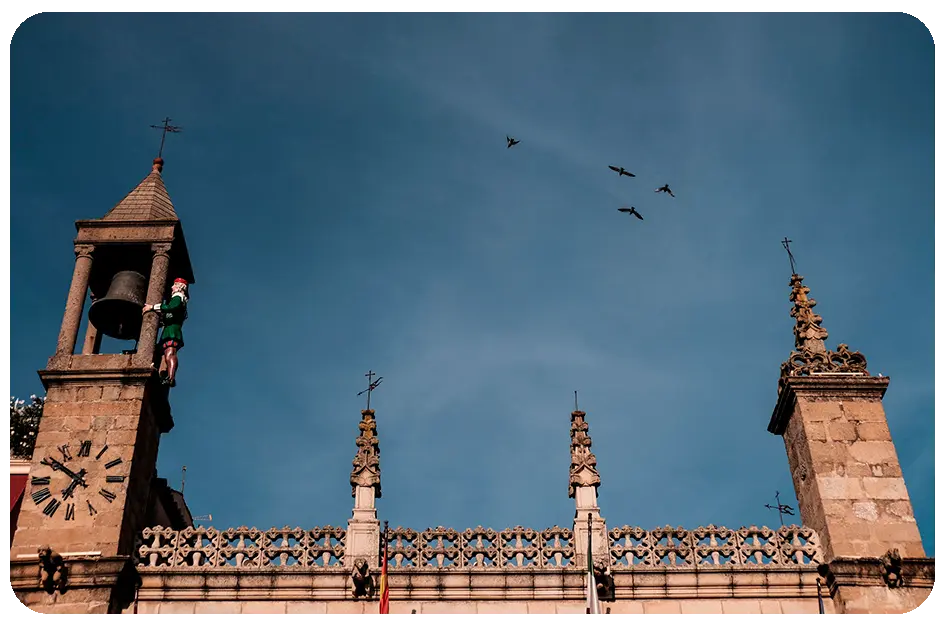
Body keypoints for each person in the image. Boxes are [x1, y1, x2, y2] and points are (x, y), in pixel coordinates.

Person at [143, 278, 189, 387]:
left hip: (172, 331)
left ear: (179, 287)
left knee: (169, 353)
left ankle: (171, 378)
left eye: (174, 285)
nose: (172, 287)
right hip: (168, 331)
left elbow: (172, 307)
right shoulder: (177, 298)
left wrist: (153, 307)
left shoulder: (178, 297)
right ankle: (161, 373)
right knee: (161, 352)